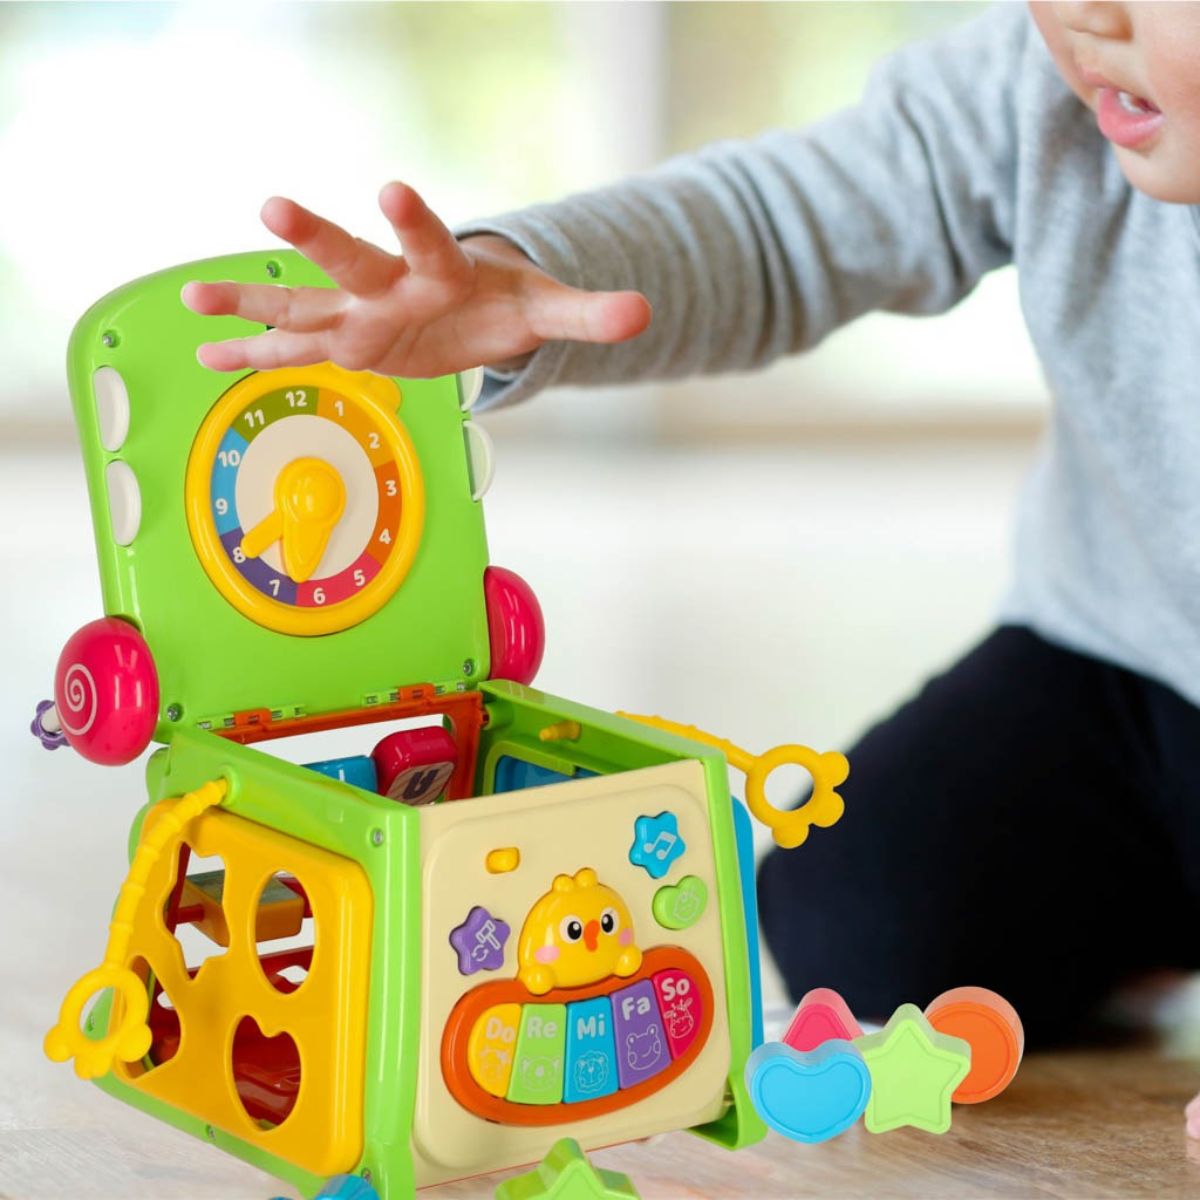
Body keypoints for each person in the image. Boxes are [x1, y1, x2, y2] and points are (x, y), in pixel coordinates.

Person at [182, 2, 1200, 1130]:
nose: (1085, 13)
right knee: (855, 920)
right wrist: (513, 279)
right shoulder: (1039, 85)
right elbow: (775, 224)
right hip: (1117, 643)